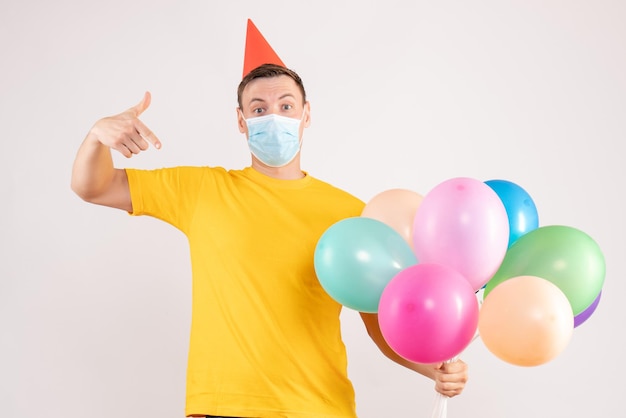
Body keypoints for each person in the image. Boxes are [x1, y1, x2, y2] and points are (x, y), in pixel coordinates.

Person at [71, 20, 468, 418]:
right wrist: (95, 136)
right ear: (241, 121)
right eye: (259, 109)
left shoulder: (350, 212)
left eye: (286, 106)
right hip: (221, 407)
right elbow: (94, 186)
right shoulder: (201, 189)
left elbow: (380, 319)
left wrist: (432, 368)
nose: (273, 116)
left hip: (319, 408)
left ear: (305, 115)